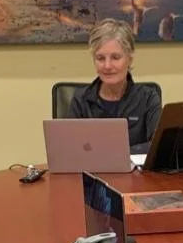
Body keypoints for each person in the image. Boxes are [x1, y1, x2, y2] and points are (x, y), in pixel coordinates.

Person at [67, 19, 161, 152]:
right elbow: (70, 148)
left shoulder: (148, 98)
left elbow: (157, 145)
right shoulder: (80, 99)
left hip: (135, 166)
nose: (107, 66)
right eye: (100, 58)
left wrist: (116, 153)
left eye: (115, 57)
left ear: (129, 59)